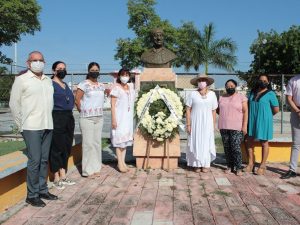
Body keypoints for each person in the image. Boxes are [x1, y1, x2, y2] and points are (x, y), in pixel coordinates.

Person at [9, 51, 58, 207]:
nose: (38, 62)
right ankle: (32, 194)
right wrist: (21, 125)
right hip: (31, 126)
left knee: (44, 160)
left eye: (40, 60)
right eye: (34, 60)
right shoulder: (21, 80)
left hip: (47, 124)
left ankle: (43, 190)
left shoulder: (47, 81)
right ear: (28, 63)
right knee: (35, 160)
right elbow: (14, 104)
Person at [75, 62, 105, 178]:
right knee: (88, 144)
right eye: (92, 70)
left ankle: (96, 167)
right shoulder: (83, 84)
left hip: (99, 117)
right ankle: (87, 170)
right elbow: (77, 100)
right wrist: (83, 111)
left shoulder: (101, 86)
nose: (95, 72)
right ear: (88, 71)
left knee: (97, 143)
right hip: (87, 118)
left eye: (97, 69)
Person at [244, 74, 279, 175]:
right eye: (260, 80)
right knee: (248, 140)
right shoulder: (252, 92)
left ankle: (263, 165)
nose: (262, 82)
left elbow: (276, 109)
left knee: (264, 142)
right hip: (252, 119)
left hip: (264, 121)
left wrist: (266, 116)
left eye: (264, 81)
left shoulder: (271, 94)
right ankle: (250, 163)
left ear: (268, 82)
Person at [49, 61, 76, 189]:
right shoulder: (50, 84)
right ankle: (56, 176)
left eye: (64, 68)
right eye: (59, 68)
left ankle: (63, 174)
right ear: (54, 70)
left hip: (68, 117)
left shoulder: (65, 84)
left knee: (66, 146)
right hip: (57, 116)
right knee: (56, 147)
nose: (62, 70)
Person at [186, 74, 218, 173]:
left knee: (206, 142)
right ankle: (196, 164)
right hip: (195, 122)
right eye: (199, 80)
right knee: (196, 141)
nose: (201, 82)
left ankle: (205, 164)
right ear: (197, 82)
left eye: (203, 80)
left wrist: (213, 125)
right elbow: (187, 110)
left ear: (207, 82)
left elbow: (214, 111)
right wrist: (188, 124)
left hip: (207, 123)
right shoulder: (192, 94)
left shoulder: (212, 94)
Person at [218, 79, 248, 176]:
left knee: (236, 148)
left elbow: (245, 112)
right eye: (227, 86)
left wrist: (244, 126)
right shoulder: (221, 97)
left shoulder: (241, 97)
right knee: (227, 147)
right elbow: (219, 110)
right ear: (225, 87)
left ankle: (238, 167)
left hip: (237, 127)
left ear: (235, 86)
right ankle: (229, 166)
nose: (229, 87)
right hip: (224, 126)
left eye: (232, 86)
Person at [110, 68, 135, 173]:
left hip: (127, 119)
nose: (125, 77)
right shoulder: (116, 88)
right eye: (123, 75)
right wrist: (113, 120)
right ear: (119, 76)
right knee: (119, 141)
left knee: (124, 143)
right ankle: (119, 163)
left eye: (127, 75)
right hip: (119, 118)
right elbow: (112, 105)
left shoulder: (130, 87)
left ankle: (123, 162)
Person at [281, 75, 300, 179]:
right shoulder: (293, 80)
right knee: (296, 143)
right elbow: (289, 98)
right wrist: (297, 111)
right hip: (296, 112)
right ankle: (292, 170)